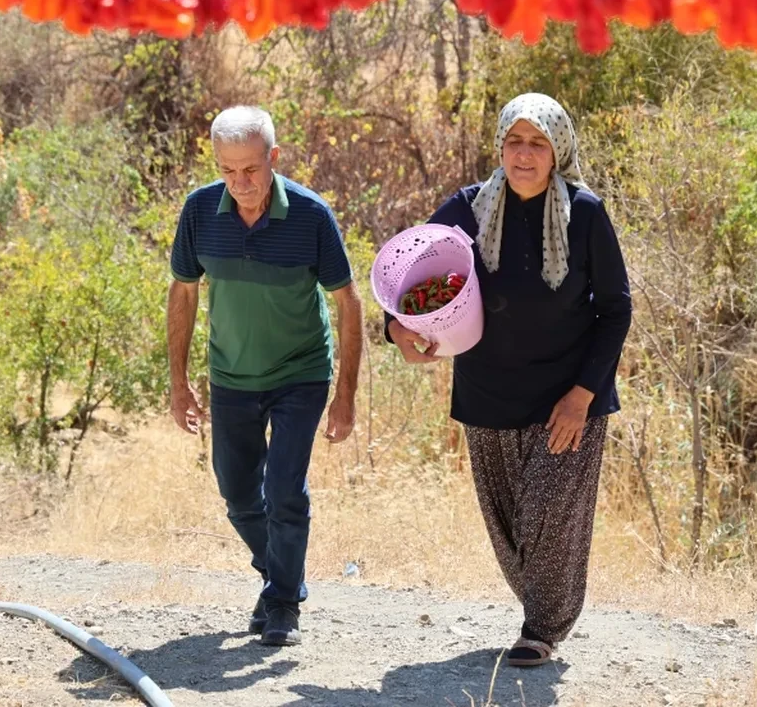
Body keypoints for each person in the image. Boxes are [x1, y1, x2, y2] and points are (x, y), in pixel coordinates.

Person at [386, 93, 631, 667]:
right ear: (500, 146)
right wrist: (397, 330)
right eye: (514, 141)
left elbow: (615, 310)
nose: (525, 154)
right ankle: (544, 605)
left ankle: (541, 628)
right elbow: (414, 280)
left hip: (568, 399)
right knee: (509, 526)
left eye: (538, 142)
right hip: (487, 394)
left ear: (557, 149)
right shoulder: (465, 209)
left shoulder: (585, 213)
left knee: (548, 515)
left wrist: (583, 396)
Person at [167, 105, 364, 648]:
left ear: (273, 159)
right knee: (238, 494)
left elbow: (348, 304)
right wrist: (179, 382)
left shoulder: (309, 215)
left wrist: (344, 395)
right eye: (227, 171)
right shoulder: (200, 211)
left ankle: (281, 605)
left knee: (283, 490)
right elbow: (183, 292)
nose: (240, 183)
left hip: (300, 373)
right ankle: (285, 578)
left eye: (250, 170)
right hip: (231, 374)